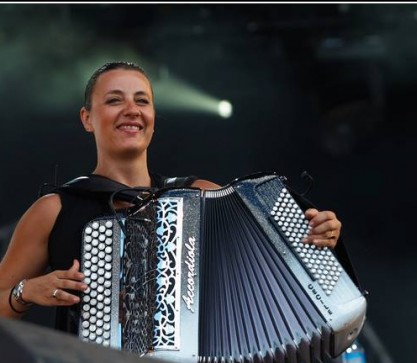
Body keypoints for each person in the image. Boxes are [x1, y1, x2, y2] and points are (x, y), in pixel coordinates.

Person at [0, 61, 343, 334]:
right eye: (115, 100)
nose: (131, 109)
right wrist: (23, 293)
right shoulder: (55, 210)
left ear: (152, 119)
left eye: (142, 100)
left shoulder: (200, 194)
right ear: (87, 118)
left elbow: (282, 252)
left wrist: (317, 234)